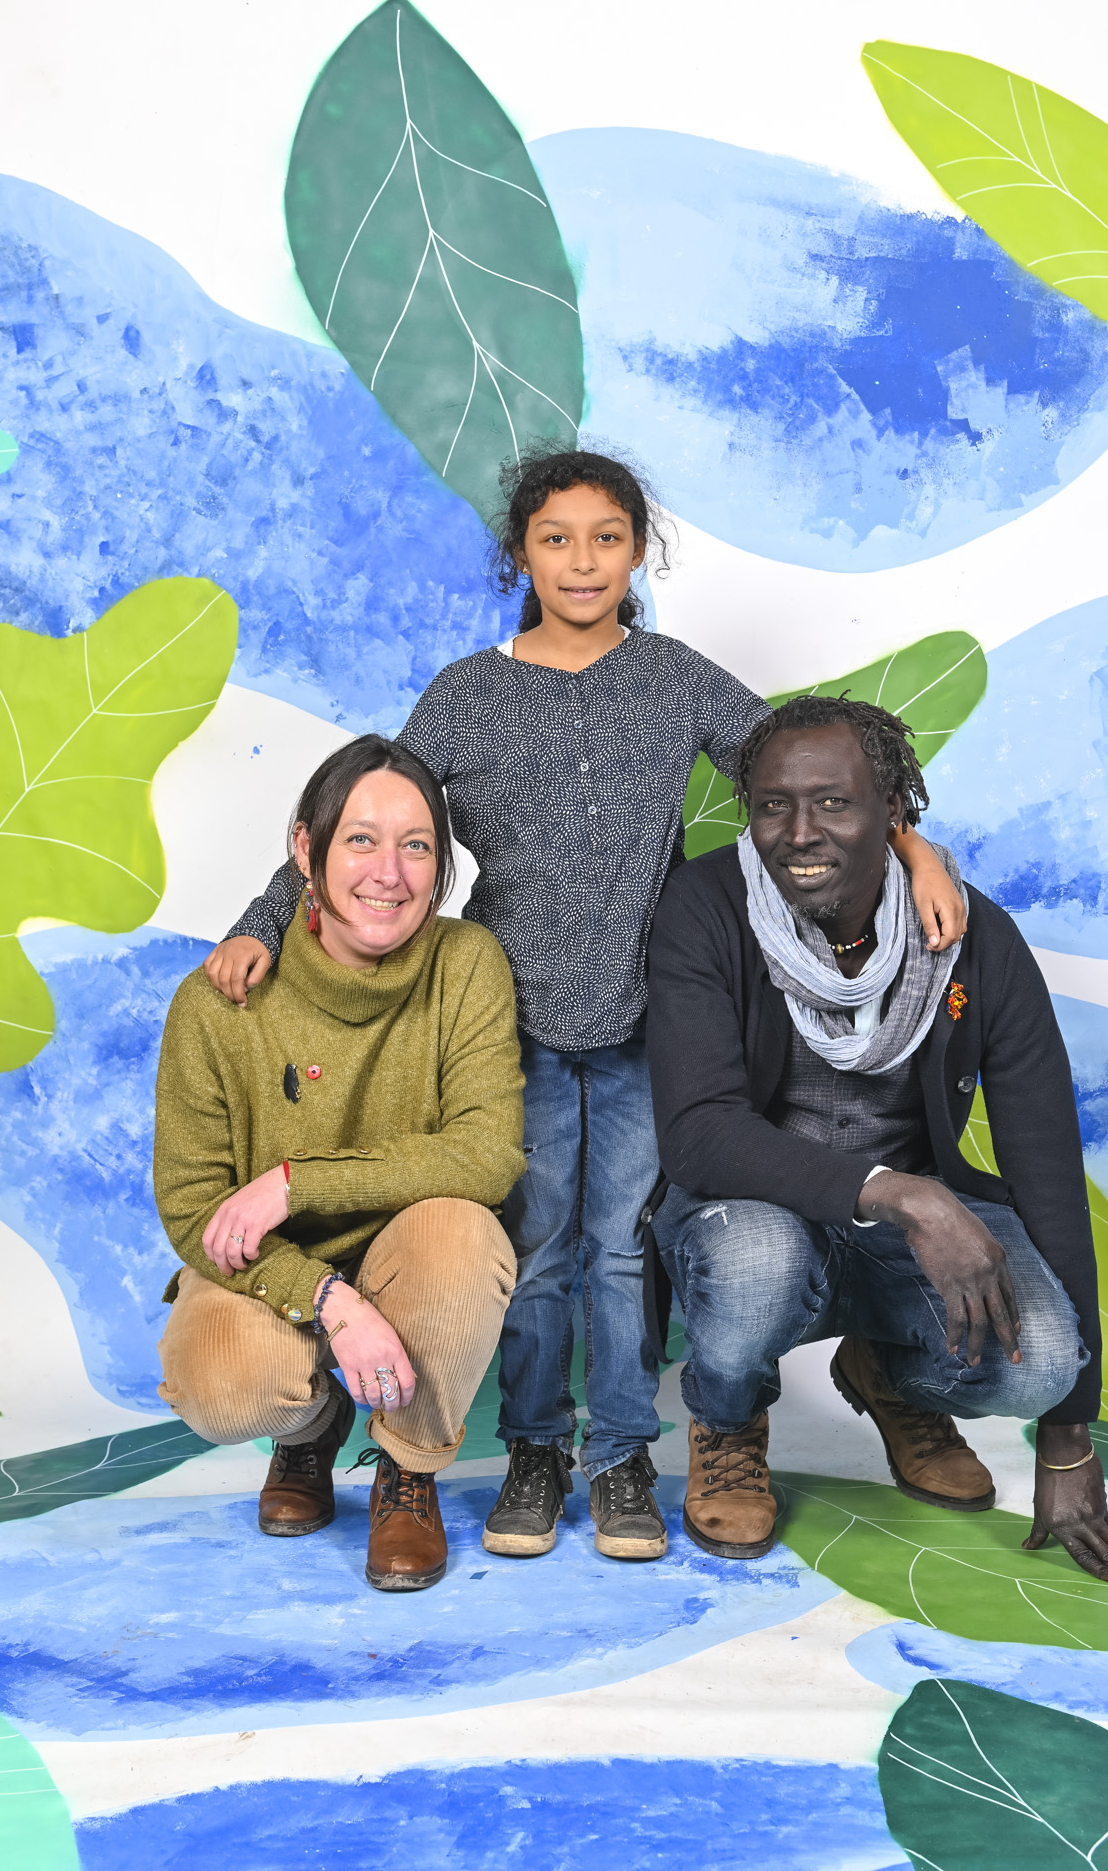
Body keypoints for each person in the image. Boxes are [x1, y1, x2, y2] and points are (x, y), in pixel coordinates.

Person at [201, 449, 968, 1564]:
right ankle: (533, 1449)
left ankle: (618, 1456)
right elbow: (363, 813)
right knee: (537, 1249)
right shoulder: (467, 694)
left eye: (607, 537)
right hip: (499, 1022)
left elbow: (806, 767)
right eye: (555, 537)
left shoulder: (673, 677)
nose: (581, 560)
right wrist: (262, 921)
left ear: (637, 552)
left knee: (621, 1250)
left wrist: (912, 843)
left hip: (649, 1021)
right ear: (519, 554)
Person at [644, 693, 1108, 1591]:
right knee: (756, 1266)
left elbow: (1043, 1158)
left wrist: (1066, 1439)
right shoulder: (706, 905)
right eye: (772, 805)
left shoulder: (971, 936)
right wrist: (906, 1195)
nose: (799, 833)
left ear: (892, 811)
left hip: (900, 1238)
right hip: (755, 1211)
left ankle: (888, 1376)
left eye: (832, 803)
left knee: (1040, 1362)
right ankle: (727, 1424)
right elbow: (698, 1133)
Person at [153, 735, 524, 1592]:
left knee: (464, 1235)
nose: (388, 873)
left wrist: (297, 1183)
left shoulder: (466, 963)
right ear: (305, 849)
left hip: (414, 1252)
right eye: (360, 839)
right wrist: (330, 1300)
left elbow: (487, 1154)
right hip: (273, 1266)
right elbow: (193, 1208)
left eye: (416, 845)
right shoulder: (216, 1003)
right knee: (221, 1386)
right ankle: (309, 1430)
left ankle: (407, 1466)